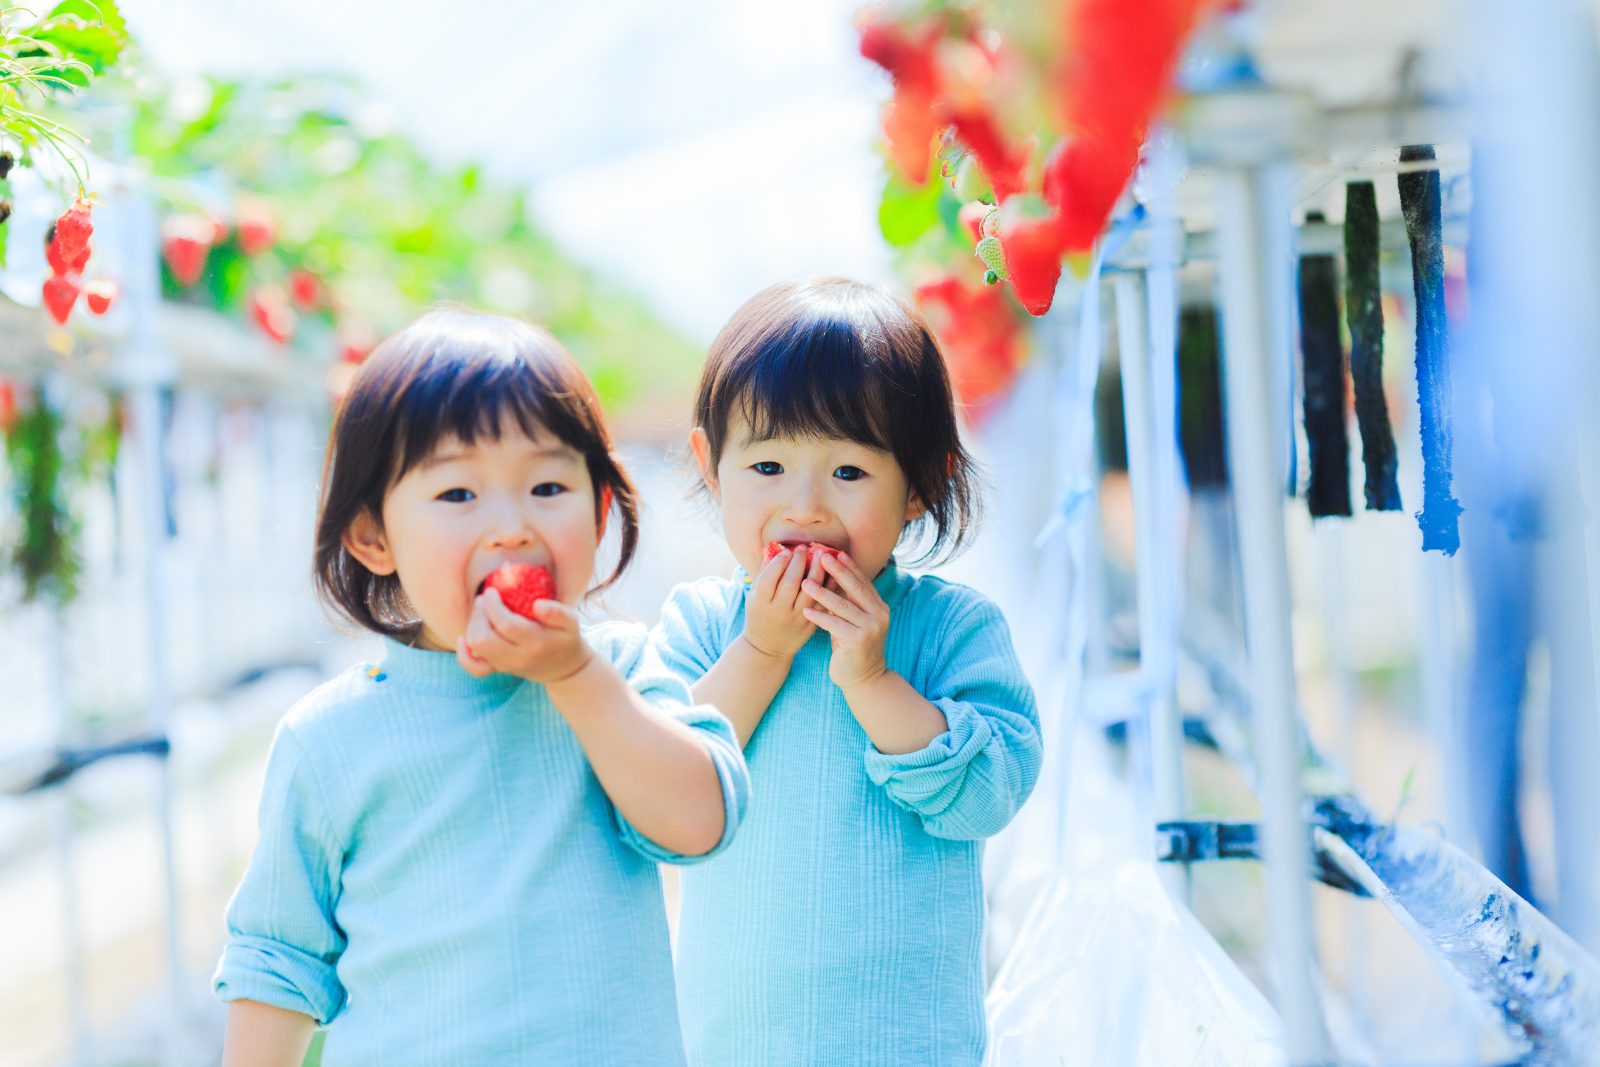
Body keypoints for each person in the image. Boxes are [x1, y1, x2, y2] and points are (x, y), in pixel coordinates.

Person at [212, 308, 749, 1066]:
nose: (511, 527)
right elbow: (277, 958)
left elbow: (700, 820)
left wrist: (576, 677)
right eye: (459, 494)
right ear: (373, 535)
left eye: (548, 485)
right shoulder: (331, 738)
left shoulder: (619, 672)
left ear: (599, 512)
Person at [653, 277, 1043, 1066]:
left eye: (849, 473)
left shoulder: (950, 629)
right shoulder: (700, 624)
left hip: (907, 1043)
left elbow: (986, 796)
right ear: (710, 463)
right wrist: (762, 650)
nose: (804, 507)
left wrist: (870, 678)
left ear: (919, 486)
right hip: (733, 1044)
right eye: (766, 466)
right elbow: (664, 789)